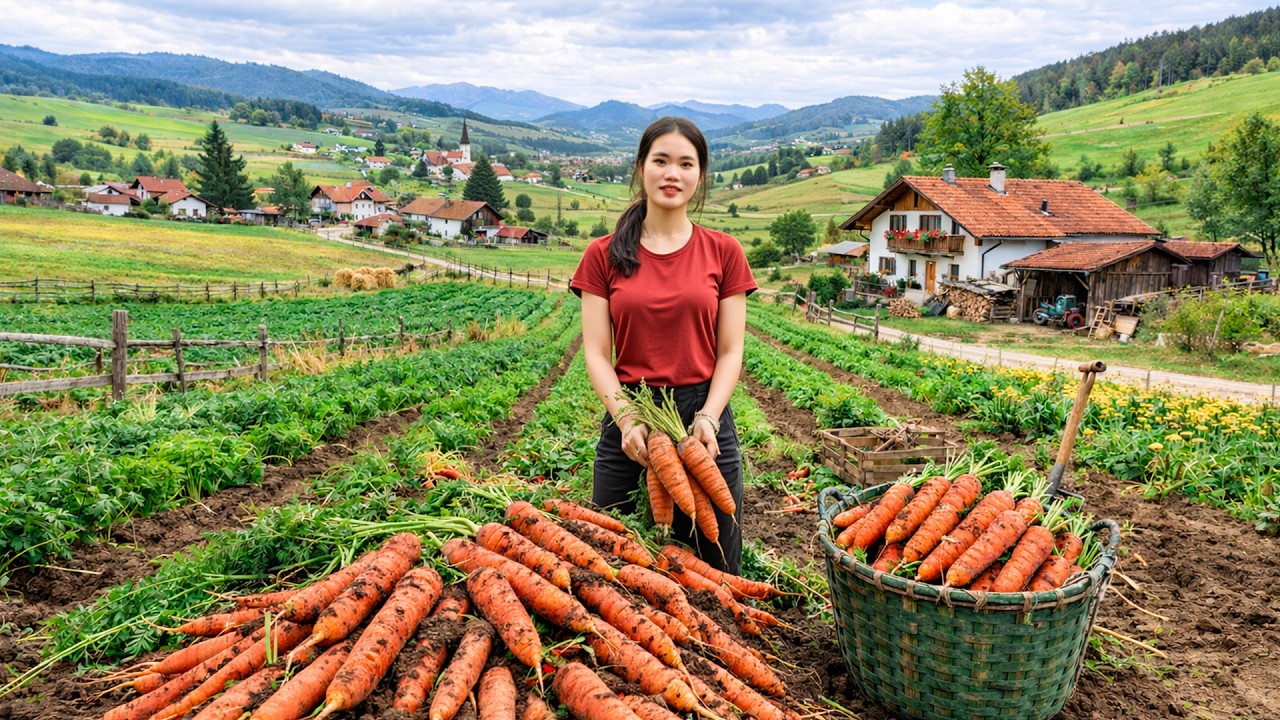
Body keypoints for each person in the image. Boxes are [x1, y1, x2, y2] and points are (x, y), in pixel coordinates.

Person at [569, 117, 757, 574]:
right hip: (630, 418)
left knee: (718, 563)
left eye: (685, 164)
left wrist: (710, 418)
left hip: (703, 421)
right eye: (661, 161)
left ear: (700, 175)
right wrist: (626, 417)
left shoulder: (724, 251)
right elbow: (596, 352)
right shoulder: (603, 254)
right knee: (612, 566)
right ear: (641, 167)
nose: (672, 174)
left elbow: (730, 351)